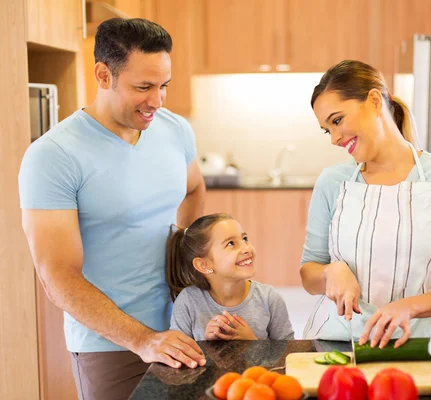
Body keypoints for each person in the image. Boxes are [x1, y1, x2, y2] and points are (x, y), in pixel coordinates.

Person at [18, 18, 207, 400]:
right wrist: (143, 340)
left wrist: (184, 264)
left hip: (184, 329)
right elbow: (57, 276)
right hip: (110, 346)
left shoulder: (175, 130)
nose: (156, 100)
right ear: (103, 75)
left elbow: (193, 189)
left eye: (163, 86)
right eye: (143, 87)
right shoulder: (53, 156)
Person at [300, 60, 431, 349]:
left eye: (337, 121)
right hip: (335, 343)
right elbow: (308, 274)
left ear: (374, 101)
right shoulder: (331, 181)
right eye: (327, 130)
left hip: (415, 345)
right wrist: (330, 271)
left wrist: (409, 307)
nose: (335, 138)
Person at [167, 213, 295, 341]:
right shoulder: (187, 302)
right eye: (230, 243)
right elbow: (180, 356)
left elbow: (290, 354)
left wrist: (252, 343)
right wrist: (207, 346)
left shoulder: (269, 299)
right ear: (203, 265)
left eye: (244, 239)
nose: (246, 248)